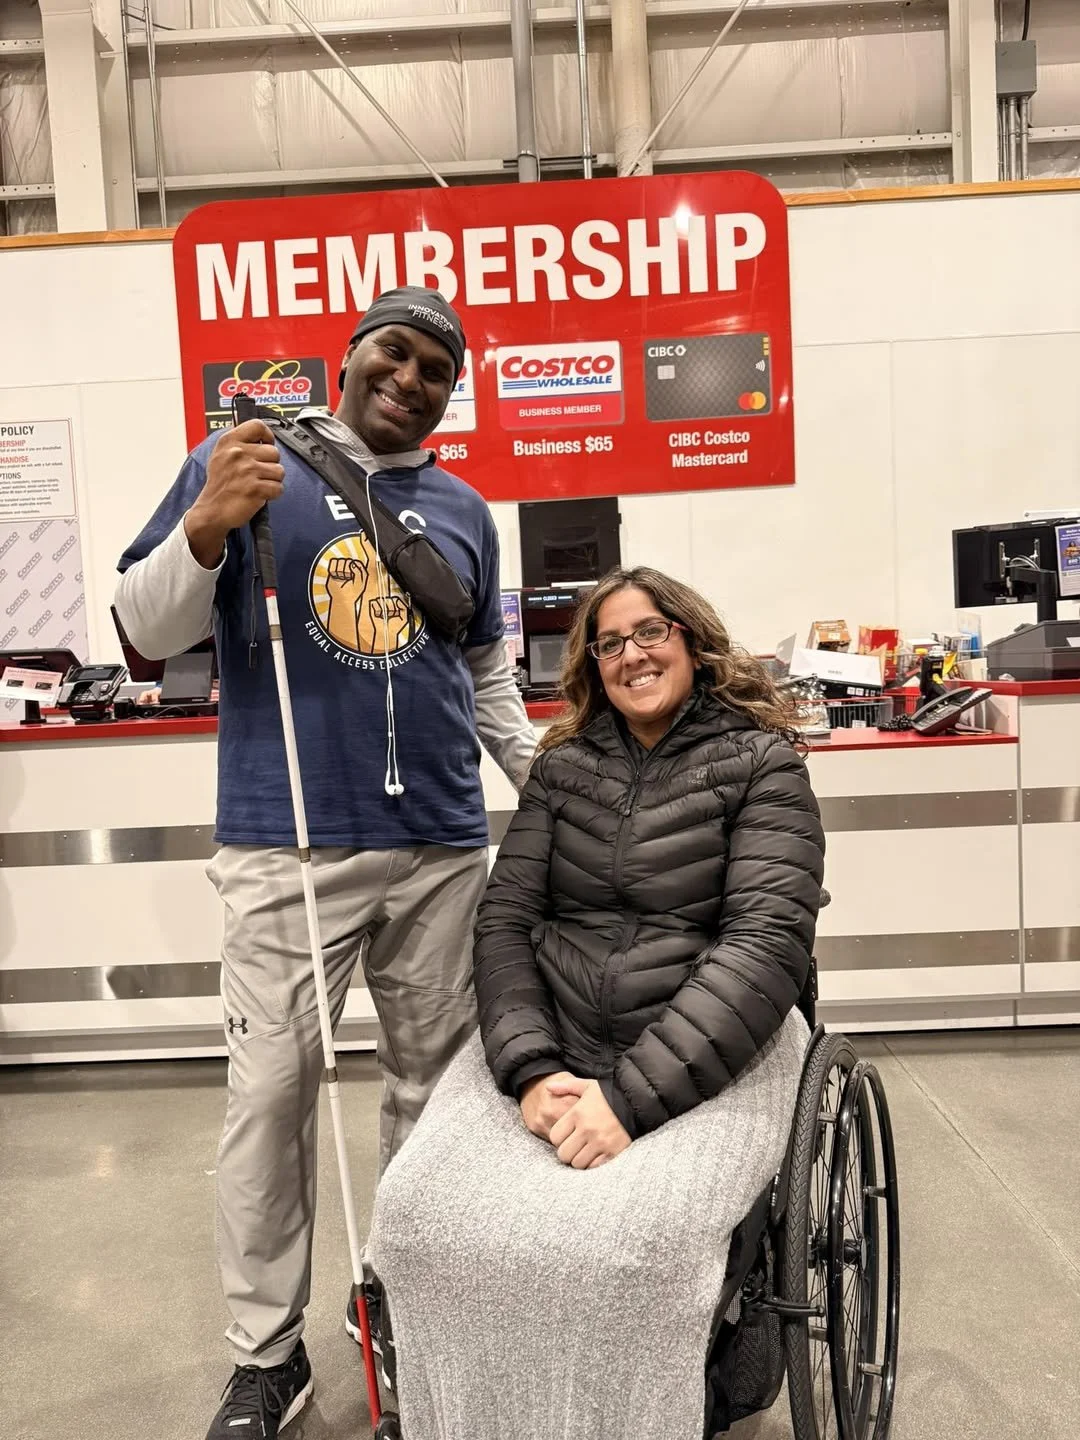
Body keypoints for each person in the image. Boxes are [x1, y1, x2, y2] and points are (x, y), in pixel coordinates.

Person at [113, 287, 536, 1440]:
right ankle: (265, 1356)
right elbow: (145, 630)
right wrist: (206, 524)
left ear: (452, 393)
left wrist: (544, 783)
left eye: (435, 371)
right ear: (346, 357)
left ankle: (407, 1303)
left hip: (442, 841)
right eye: (391, 354)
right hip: (284, 837)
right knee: (270, 1097)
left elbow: (487, 675)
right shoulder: (242, 458)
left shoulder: (462, 506)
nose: (408, 379)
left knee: (434, 1097)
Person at [369, 566, 826, 1440]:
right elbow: (504, 927)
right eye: (609, 642)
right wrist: (533, 1070)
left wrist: (628, 1099)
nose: (631, 654)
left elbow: (763, 949)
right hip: (558, 1044)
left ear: (691, 640)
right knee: (417, 1218)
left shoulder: (763, 766)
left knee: (633, 1252)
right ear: (590, 665)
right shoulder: (561, 770)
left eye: (650, 631)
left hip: (721, 1056)